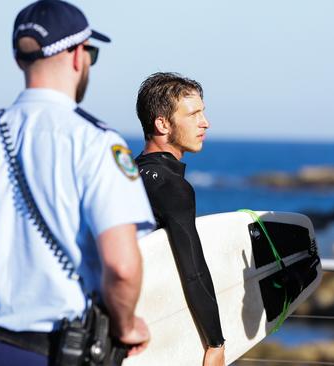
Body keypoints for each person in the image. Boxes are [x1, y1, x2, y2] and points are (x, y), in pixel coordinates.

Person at [0, 1, 155, 364]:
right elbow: (121, 266)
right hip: (56, 350)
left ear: (20, 59)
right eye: (91, 52)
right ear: (76, 55)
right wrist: (126, 325)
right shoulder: (97, 143)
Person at [134, 72, 225, 366]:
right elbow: (193, 269)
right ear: (162, 123)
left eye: (203, 112)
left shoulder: (128, 175)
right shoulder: (172, 186)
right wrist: (215, 342)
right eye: (194, 114)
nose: (205, 122)